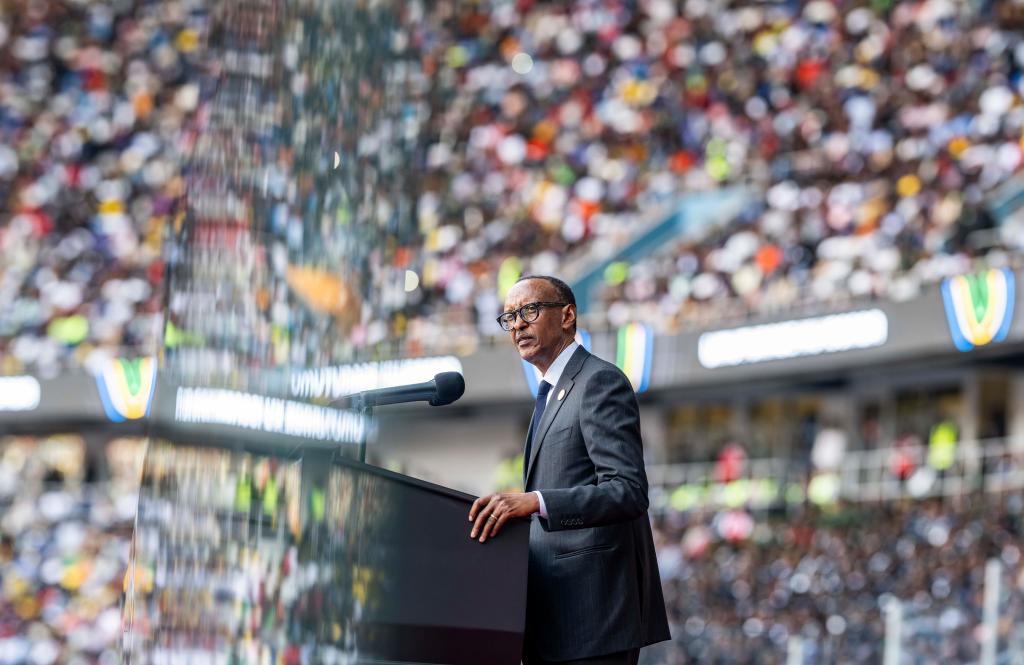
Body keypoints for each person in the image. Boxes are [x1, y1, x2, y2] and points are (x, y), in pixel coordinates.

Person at [467, 275, 670, 665]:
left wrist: (537, 501)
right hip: (553, 618)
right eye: (509, 317)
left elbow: (627, 490)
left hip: (594, 618)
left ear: (567, 316)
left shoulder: (599, 381)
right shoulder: (549, 393)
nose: (518, 325)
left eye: (529, 311)